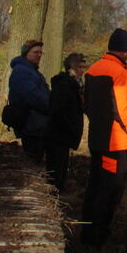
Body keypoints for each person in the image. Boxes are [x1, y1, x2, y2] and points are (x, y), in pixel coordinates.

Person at [81, 29, 127, 248]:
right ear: (126, 51)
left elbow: (86, 104)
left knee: (94, 185)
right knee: (110, 189)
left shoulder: (93, 69)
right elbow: (123, 110)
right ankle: (99, 237)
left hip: (96, 138)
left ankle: (87, 233)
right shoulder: (120, 74)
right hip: (115, 142)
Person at [46, 52, 86, 191]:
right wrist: (71, 128)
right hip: (59, 137)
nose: (82, 71)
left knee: (60, 174)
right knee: (56, 174)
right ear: (72, 68)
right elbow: (58, 112)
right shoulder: (64, 86)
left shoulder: (73, 86)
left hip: (64, 137)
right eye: (80, 67)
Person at [8, 40, 50, 162]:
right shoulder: (22, 72)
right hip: (31, 124)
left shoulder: (32, 71)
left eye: (41, 53)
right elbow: (33, 97)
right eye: (35, 52)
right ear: (26, 53)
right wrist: (51, 107)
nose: (39, 55)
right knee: (33, 158)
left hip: (36, 123)